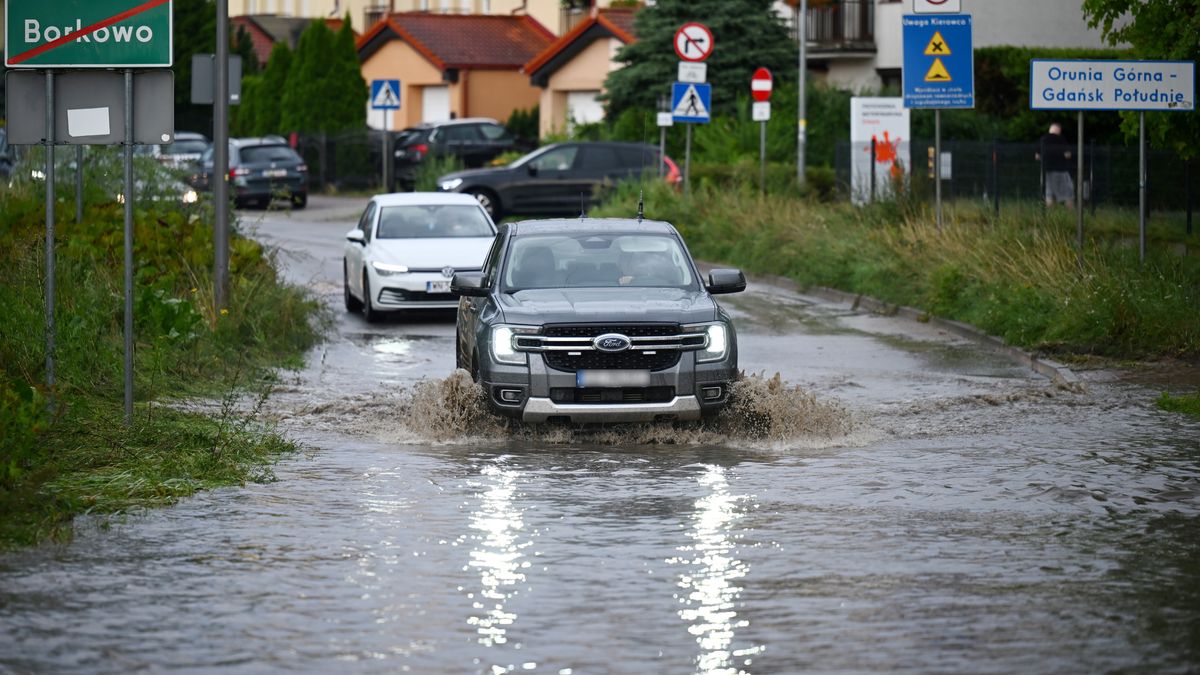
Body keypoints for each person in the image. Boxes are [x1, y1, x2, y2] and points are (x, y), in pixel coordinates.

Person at [1036, 123, 1074, 208]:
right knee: (1068, 195)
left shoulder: (1043, 139)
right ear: (1059, 130)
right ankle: (1071, 216)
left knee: (1049, 195)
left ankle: (1050, 218)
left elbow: (1037, 156)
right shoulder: (1061, 139)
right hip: (1061, 171)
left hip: (1046, 171)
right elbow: (1068, 155)